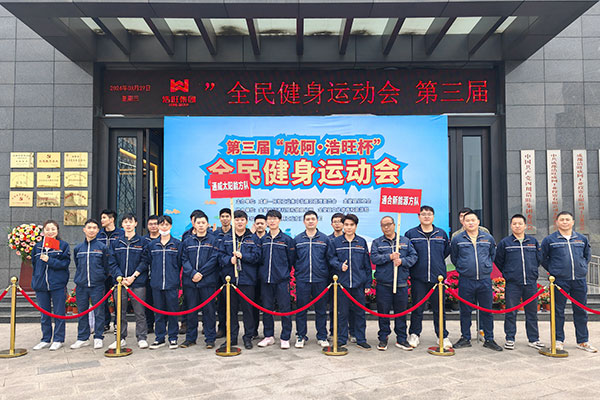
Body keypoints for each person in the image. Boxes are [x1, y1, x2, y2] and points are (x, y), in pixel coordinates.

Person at [541, 211, 597, 352]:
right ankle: (558, 340)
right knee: (558, 311)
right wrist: (554, 270)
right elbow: (543, 258)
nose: (565, 222)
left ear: (573, 222)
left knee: (581, 310)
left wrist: (581, 267)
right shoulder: (550, 240)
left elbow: (587, 256)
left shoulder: (581, 239)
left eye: (567, 219)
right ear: (557, 222)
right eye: (562, 220)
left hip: (579, 280)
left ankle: (583, 341)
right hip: (559, 281)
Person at [127, 215, 181, 350]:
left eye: (166, 224)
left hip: (171, 284)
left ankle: (173, 337)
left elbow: (181, 262)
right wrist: (134, 275)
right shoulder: (152, 245)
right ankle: (159, 338)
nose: (164, 227)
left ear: (170, 226)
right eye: (161, 224)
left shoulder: (177, 244)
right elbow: (145, 262)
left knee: (172, 312)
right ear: (158, 226)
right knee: (158, 312)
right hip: (156, 283)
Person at [451, 211, 502, 351]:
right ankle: (465, 337)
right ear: (463, 223)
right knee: (465, 310)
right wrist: (463, 267)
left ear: (478, 222)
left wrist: (485, 266)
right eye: (467, 220)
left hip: (484, 280)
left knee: (487, 310)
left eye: (473, 220)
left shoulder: (488, 238)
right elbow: (455, 257)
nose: (470, 223)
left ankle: (489, 338)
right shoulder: (457, 239)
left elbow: (492, 255)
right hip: (466, 280)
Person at [405, 205, 452, 350]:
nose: (426, 216)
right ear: (418, 216)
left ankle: (442, 335)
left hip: (438, 278)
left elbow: (445, 252)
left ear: (433, 216)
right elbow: (407, 253)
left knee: (439, 309)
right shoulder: (411, 234)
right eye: (423, 214)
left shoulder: (441, 233)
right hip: (418, 277)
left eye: (429, 214)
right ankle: (414, 334)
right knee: (417, 307)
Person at [495, 214, 544, 350]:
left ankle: (534, 339)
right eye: (514, 223)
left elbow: (538, 259)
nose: (517, 226)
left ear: (525, 225)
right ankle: (510, 338)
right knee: (511, 312)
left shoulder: (532, 241)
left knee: (532, 312)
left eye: (520, 223)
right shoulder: (505, 243)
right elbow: (499, 261)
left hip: (530, 283)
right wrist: (508, 273)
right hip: (513, 284)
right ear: (511, 225)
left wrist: (532, 271)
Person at [371, 216, 418, 351]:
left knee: (401, 313)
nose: (386, 227)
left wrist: (402, 261)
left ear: (394, 224)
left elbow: (414, 257)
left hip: (401, 283)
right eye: (383, 225)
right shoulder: (377, 242)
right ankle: (383, 337)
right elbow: (374, 258)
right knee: (383, 312)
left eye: (389, 224)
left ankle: (401, 338)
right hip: (383, 284)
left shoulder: (404, 241)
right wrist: (389, 257)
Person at [293, 211, 337, 348]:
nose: (310, 221)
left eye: (313, 219)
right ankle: (301, 336)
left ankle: (322, 336)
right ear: (304, 222)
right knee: (301, 309)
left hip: (320, 280)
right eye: (308, 219)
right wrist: (299, 272)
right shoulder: (298, 239)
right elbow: (293, 259)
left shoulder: (324, 239)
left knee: (321, 310)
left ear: (317, 221)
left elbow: (330, 258)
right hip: (303, 279)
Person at [218, 210, 261, 350]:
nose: (239, 222)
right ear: (233, 221)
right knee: (231, 310)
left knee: (248, 310)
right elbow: (219, 256)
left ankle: (248, 337)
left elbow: (257, 257)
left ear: (246, 221)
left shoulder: (253, 238)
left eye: (242, 220)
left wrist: (243, 256)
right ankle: (232, 337)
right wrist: (229, 260)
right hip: (230, 281)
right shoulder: (227, 238)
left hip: (247, 280)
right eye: (237, 220)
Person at [70, 219, 114, 350]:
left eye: (94, 228)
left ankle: (98, 337)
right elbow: (77, 265)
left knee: (99, 312)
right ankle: (82, 338)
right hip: (82, 285)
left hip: (97, 285)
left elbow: (106, 267)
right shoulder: (78, 248)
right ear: (84, 230)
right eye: (89, 227)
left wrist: (100, 277)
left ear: (98, 231)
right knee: (82, 311)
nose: (91, 230)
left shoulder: (102, 247)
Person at [108, 213, 149, 349]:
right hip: (120, 283)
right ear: (122, 225)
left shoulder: (142, 242)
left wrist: (133, 277)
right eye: (125, 222)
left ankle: (141, 337)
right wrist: (120, 277)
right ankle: (120, 338)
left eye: (130, 222)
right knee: (120, 312)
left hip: (137, 282)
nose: (128, 224)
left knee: (140, 312)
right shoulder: (116, 242)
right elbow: (112, 262)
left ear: (136, 223)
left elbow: (144, 261)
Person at [180, 211, 220, 349]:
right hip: (191, 281)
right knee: (191, 311)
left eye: (203, 223)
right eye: (198, 223)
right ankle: (190, 338)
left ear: (207, 224)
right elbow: (184, 259)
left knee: (209, 311)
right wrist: (192, 273)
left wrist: (201, 273)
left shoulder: (213, 240)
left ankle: (210, 338)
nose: (201, 225)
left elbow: (214, 259)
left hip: (207, 281)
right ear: (194, 225)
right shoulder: (187, 241)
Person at [332, 214, 371, 350]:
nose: (349, 227)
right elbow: (331, 258)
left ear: (356, 226)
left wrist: (368, 283)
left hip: (358, 284)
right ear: (343, 226)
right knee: (342, 313)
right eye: (346, 225)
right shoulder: (336, 242)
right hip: (342, 285)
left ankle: (361, 339)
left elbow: (367, 264)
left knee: (360, 313)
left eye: (351, 225)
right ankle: (342, 339)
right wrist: (339, 265)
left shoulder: (361, 242)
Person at [257, 209, 295, 349]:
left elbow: (291, 260)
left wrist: (283, 272)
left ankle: (285, 337)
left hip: (282, 280)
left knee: (285, 309)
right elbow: (260, 259)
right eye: (270, 219)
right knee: (267, 309)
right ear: (267, 222)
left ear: (279, 220)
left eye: (275, 218)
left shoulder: (287, 240)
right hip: (266, 280)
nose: (272, 221)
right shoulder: (263, 240)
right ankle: (269, 336)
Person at [31, 220, 71, 351]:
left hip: (57, 284)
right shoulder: (37, 247)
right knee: (44, 314)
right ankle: (45, 339)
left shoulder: (63, 246)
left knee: (59, 313)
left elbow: (64, 264)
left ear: (57, 231)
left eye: (53, 229)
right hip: (41, 285)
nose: (50, 232)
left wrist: (50, 260)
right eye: (47, 229)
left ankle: (58, 339)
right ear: (43, 231)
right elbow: (34, 264)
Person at [98, 209, 123, 334]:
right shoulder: (99, 234)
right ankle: (105, 323)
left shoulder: (121, 234)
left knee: (118, 299)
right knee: (102, 299)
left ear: (112, 219)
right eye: (101, 218)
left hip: (116, 271)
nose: (102, 220)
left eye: (104, 218)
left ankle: (118, 324)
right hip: (102, 272)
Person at [214, 208, 232, 339]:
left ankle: (232, 329)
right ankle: (221, 327)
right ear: (220, 218)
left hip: (230, 272)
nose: (225, 218)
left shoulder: (234, 234)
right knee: (220, 303)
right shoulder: (215, 234)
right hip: (217, 272)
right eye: (223, 216)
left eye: (227, 216)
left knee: (231, 303)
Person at [328, 212, 346, 339]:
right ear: (331, 224)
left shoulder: (349, 238)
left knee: (348, 307)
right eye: (335, 222)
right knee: (333, 306)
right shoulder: (327, 239)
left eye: (340, 221)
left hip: (346, 277)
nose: (337, 224)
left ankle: (350, 331)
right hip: (331, 278)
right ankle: (333, 331)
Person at [142, 215, 160, 333]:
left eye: (155, 224)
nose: (153, 226)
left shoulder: (164, 239)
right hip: (146, 276)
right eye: (150, 224)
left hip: (160, 277)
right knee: (147, 302)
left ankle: (161, 325)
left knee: (161, 303)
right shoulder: (143, 241)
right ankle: (149, 325)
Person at [251, 214, 267, 339]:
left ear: (266, 224)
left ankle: (268, 334)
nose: (260, 225)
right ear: (254, 225)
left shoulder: (269, 238)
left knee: (267, 306)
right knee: (253, 306)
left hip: (267, 277)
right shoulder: (250, 239)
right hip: (253, 278)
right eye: (258, 223)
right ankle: (253, 331)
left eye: (262, 223)